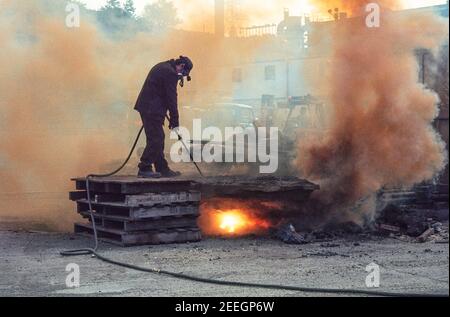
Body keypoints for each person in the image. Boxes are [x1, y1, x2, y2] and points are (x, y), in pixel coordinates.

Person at [134, 56, 193, 178]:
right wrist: (175, 120)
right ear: (181, 66)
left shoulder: (163, 66)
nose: (180, 77)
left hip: (150, 107)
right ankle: (144, 167)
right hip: (151, 109)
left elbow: (162, 93)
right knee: (157, 138)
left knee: (157, 137)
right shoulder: (170, 73)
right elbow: (171, 98)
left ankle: (162, 168)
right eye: (183, 74)